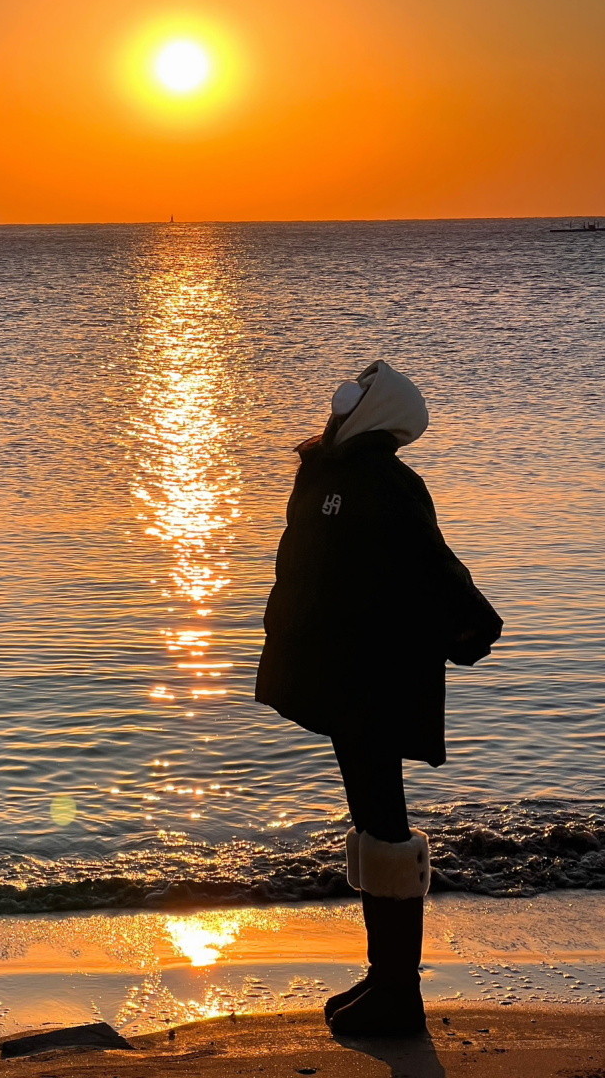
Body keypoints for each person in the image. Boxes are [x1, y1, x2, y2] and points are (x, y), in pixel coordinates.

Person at [255, 360, 502, 1037]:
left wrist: (471, 624)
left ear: (368, 412)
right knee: (374, 820)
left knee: (381, 821)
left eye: (351, 399)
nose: (336, 408)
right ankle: (384, 979)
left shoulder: (355, 477)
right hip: (357, 672)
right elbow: (417, 566)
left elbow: (423, 564)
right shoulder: (339, 474)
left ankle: (398, 991)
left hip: (363, 673)